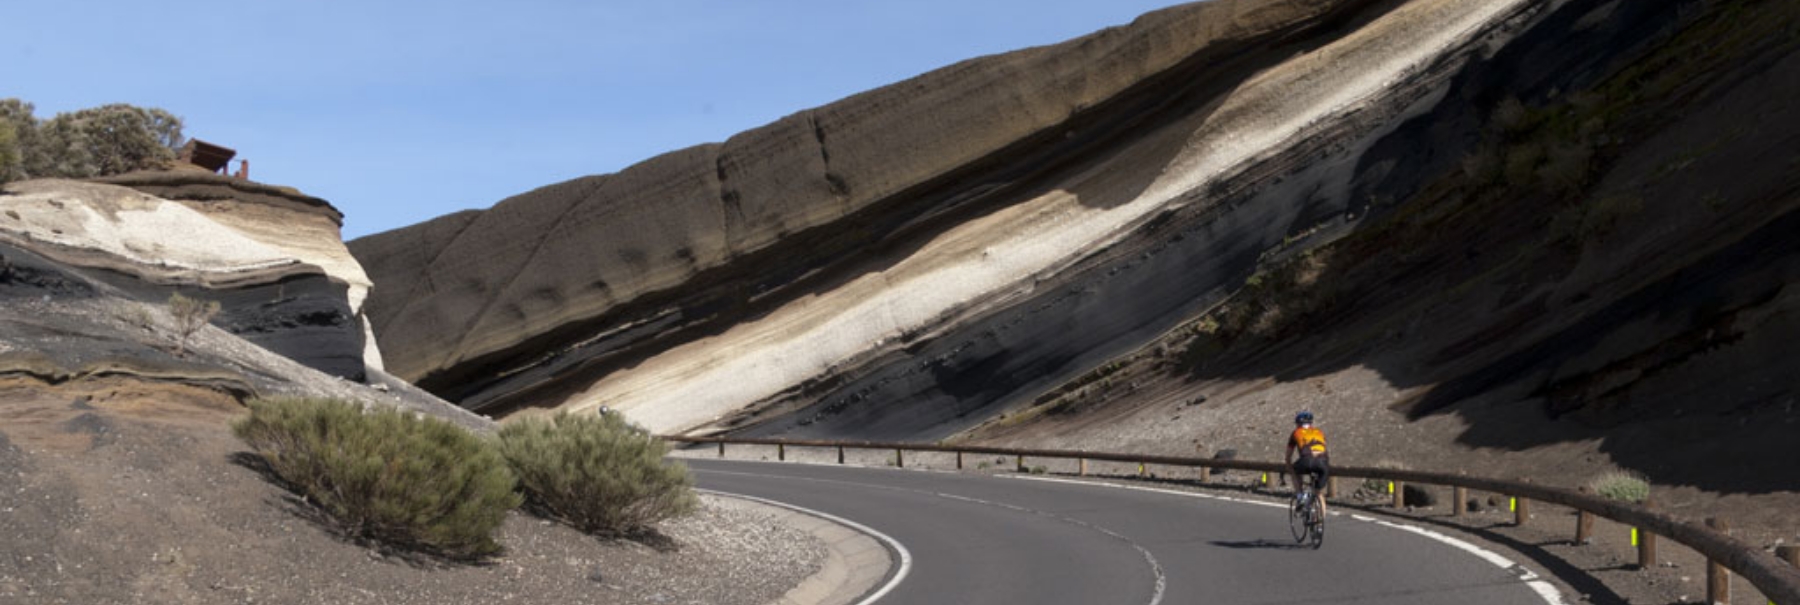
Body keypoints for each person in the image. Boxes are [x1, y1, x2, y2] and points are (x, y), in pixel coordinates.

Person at [1284, 410, 1330, 516]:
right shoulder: (1319, 432)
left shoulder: (1296, 432)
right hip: (1323, 463)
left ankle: (1300, 496)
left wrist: (1289, 467)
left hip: (1307, 461)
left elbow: (1288, 456)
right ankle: (1319, 525)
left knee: (1295, 470)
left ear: (1297, 423)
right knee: (1319, 493)